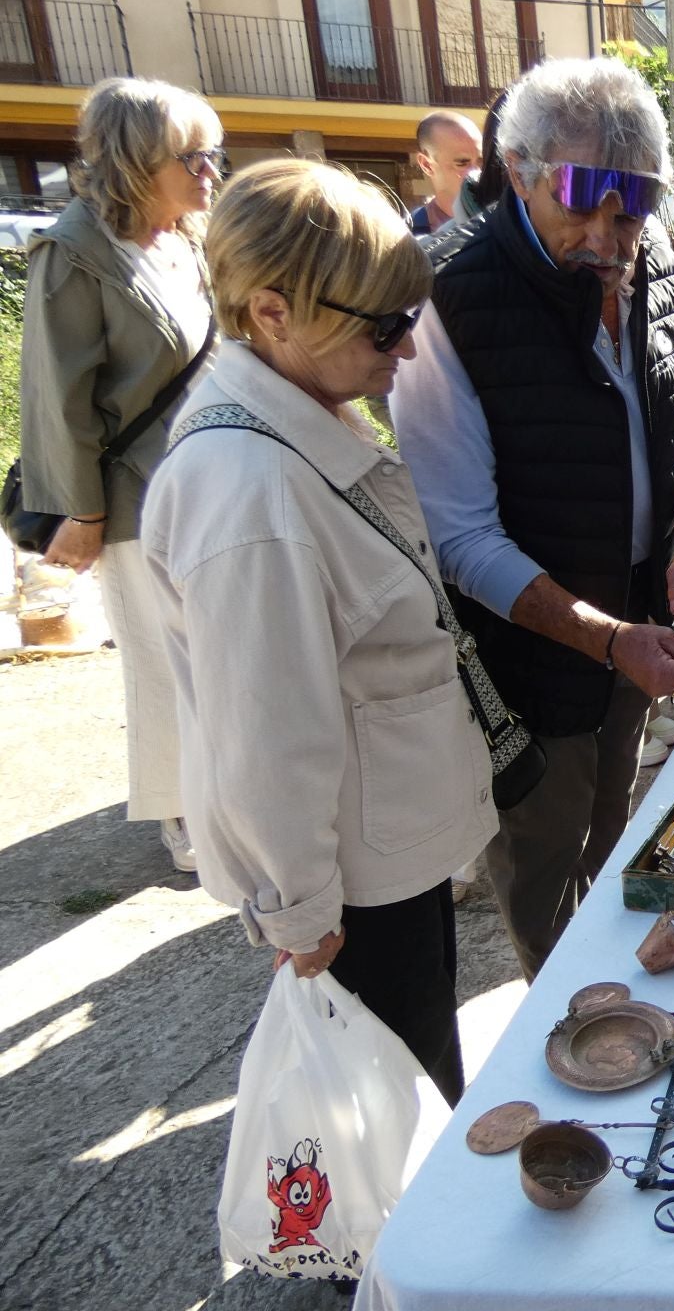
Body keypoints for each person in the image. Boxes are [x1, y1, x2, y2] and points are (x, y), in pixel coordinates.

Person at [141, 158, 496, 1104]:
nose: (407, 351)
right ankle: (387, 1261)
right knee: (384, 1121)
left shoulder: (295, 421)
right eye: (384, 328)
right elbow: (266, 732)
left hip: (385, 849)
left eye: (410, 319)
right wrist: (300, 910)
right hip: (352, 885)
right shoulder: (249, 489)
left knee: (413, 1092)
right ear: (271, 311)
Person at [392, 57, 674, 979]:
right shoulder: (451, 294)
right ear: (517, 171)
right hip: (529, 659)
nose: (604, 236)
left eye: (629, 210)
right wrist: (606, 638)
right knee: (541, 862)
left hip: (633, 631)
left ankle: (615, 979)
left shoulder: (651, 254)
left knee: (617, 830)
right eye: (578, 205)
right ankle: (565, 1021)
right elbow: (458, 537)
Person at [17, 76, 223, 875]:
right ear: (138, 162)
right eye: (192, 155)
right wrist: (82, 511)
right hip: (136, 495)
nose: (211, 171)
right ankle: (184, 816)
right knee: (162, 661)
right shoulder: (73, 254)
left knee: (211, 654)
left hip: (204, 482)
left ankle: (216, 794)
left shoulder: (184, 241)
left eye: (213, 153)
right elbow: (58, 396)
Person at [407, 111, 484, 236]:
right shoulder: (407, 238)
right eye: (462, 163)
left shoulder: (505, 220)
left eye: (481, 162)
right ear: (427, 165)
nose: (477, 172)